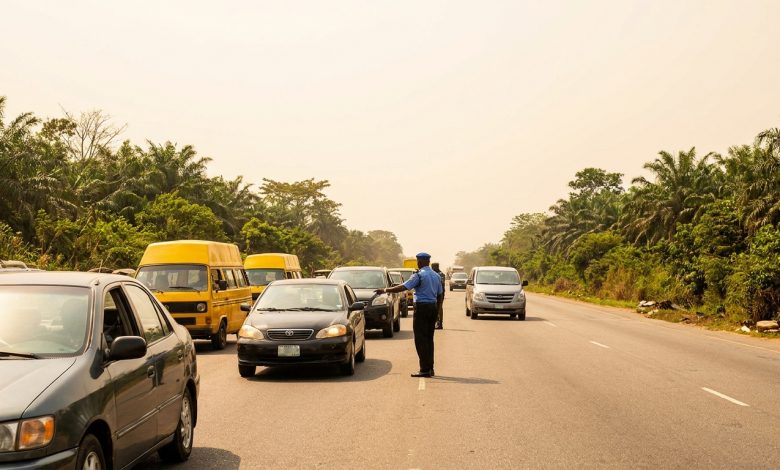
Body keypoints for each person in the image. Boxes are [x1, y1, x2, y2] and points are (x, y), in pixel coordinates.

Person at [376, 252, 443, 378]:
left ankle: (424, 369)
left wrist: (385, 290)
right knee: (429, 339)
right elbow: (440, 295)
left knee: (420, 339)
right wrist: (438, 312)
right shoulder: (436, 276)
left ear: (421, 261)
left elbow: (403, 287)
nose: (417, 263)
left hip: (422, 308)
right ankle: (430, 368)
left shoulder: (419, 275)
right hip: (433, 308)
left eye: (418, 261)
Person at [431, 262, 446, 329]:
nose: (432, 269)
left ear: (436, 267)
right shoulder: (435, 274)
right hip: (434, 293)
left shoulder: (441, 274)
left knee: (439, 308)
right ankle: (436, 322)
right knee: (434, 308)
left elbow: (440, 283)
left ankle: (440, 323)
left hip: (440, 293)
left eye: (432, 267)